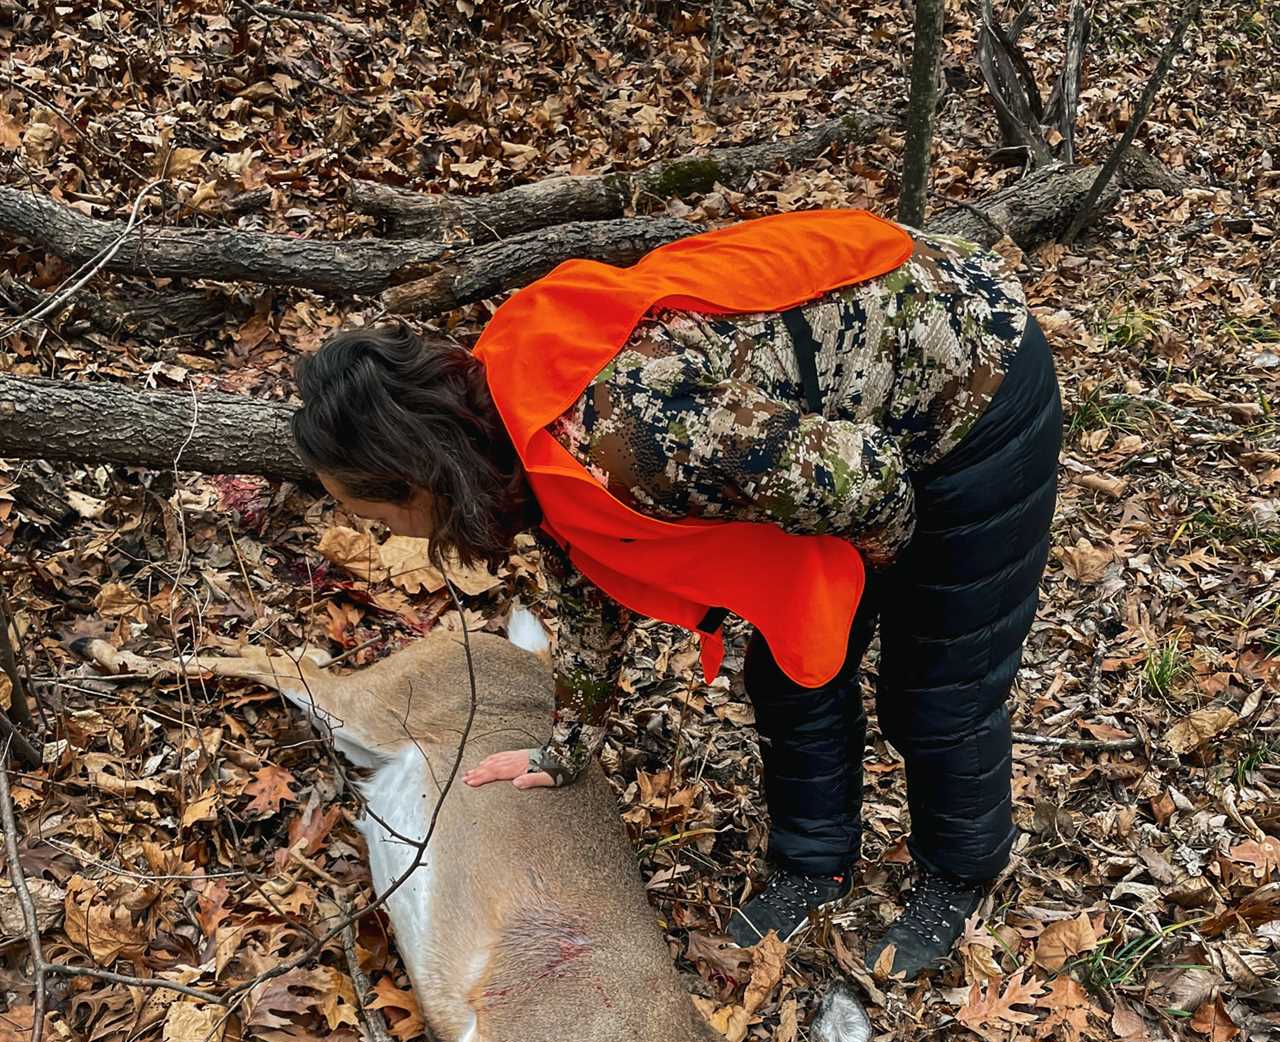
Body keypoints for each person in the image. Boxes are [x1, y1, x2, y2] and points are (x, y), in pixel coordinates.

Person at [289, 209, 1062, 977]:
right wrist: (569, 746)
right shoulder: (498, 421)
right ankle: (815, 867)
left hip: (972, 383)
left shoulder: (633, 434)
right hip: (841, 434)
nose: (390, 535)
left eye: (377, 513)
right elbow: (584, 566)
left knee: (937, 688)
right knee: (792, 669)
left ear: (418, 476)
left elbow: (866, 479)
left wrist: (885, 576)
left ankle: (958, 874)